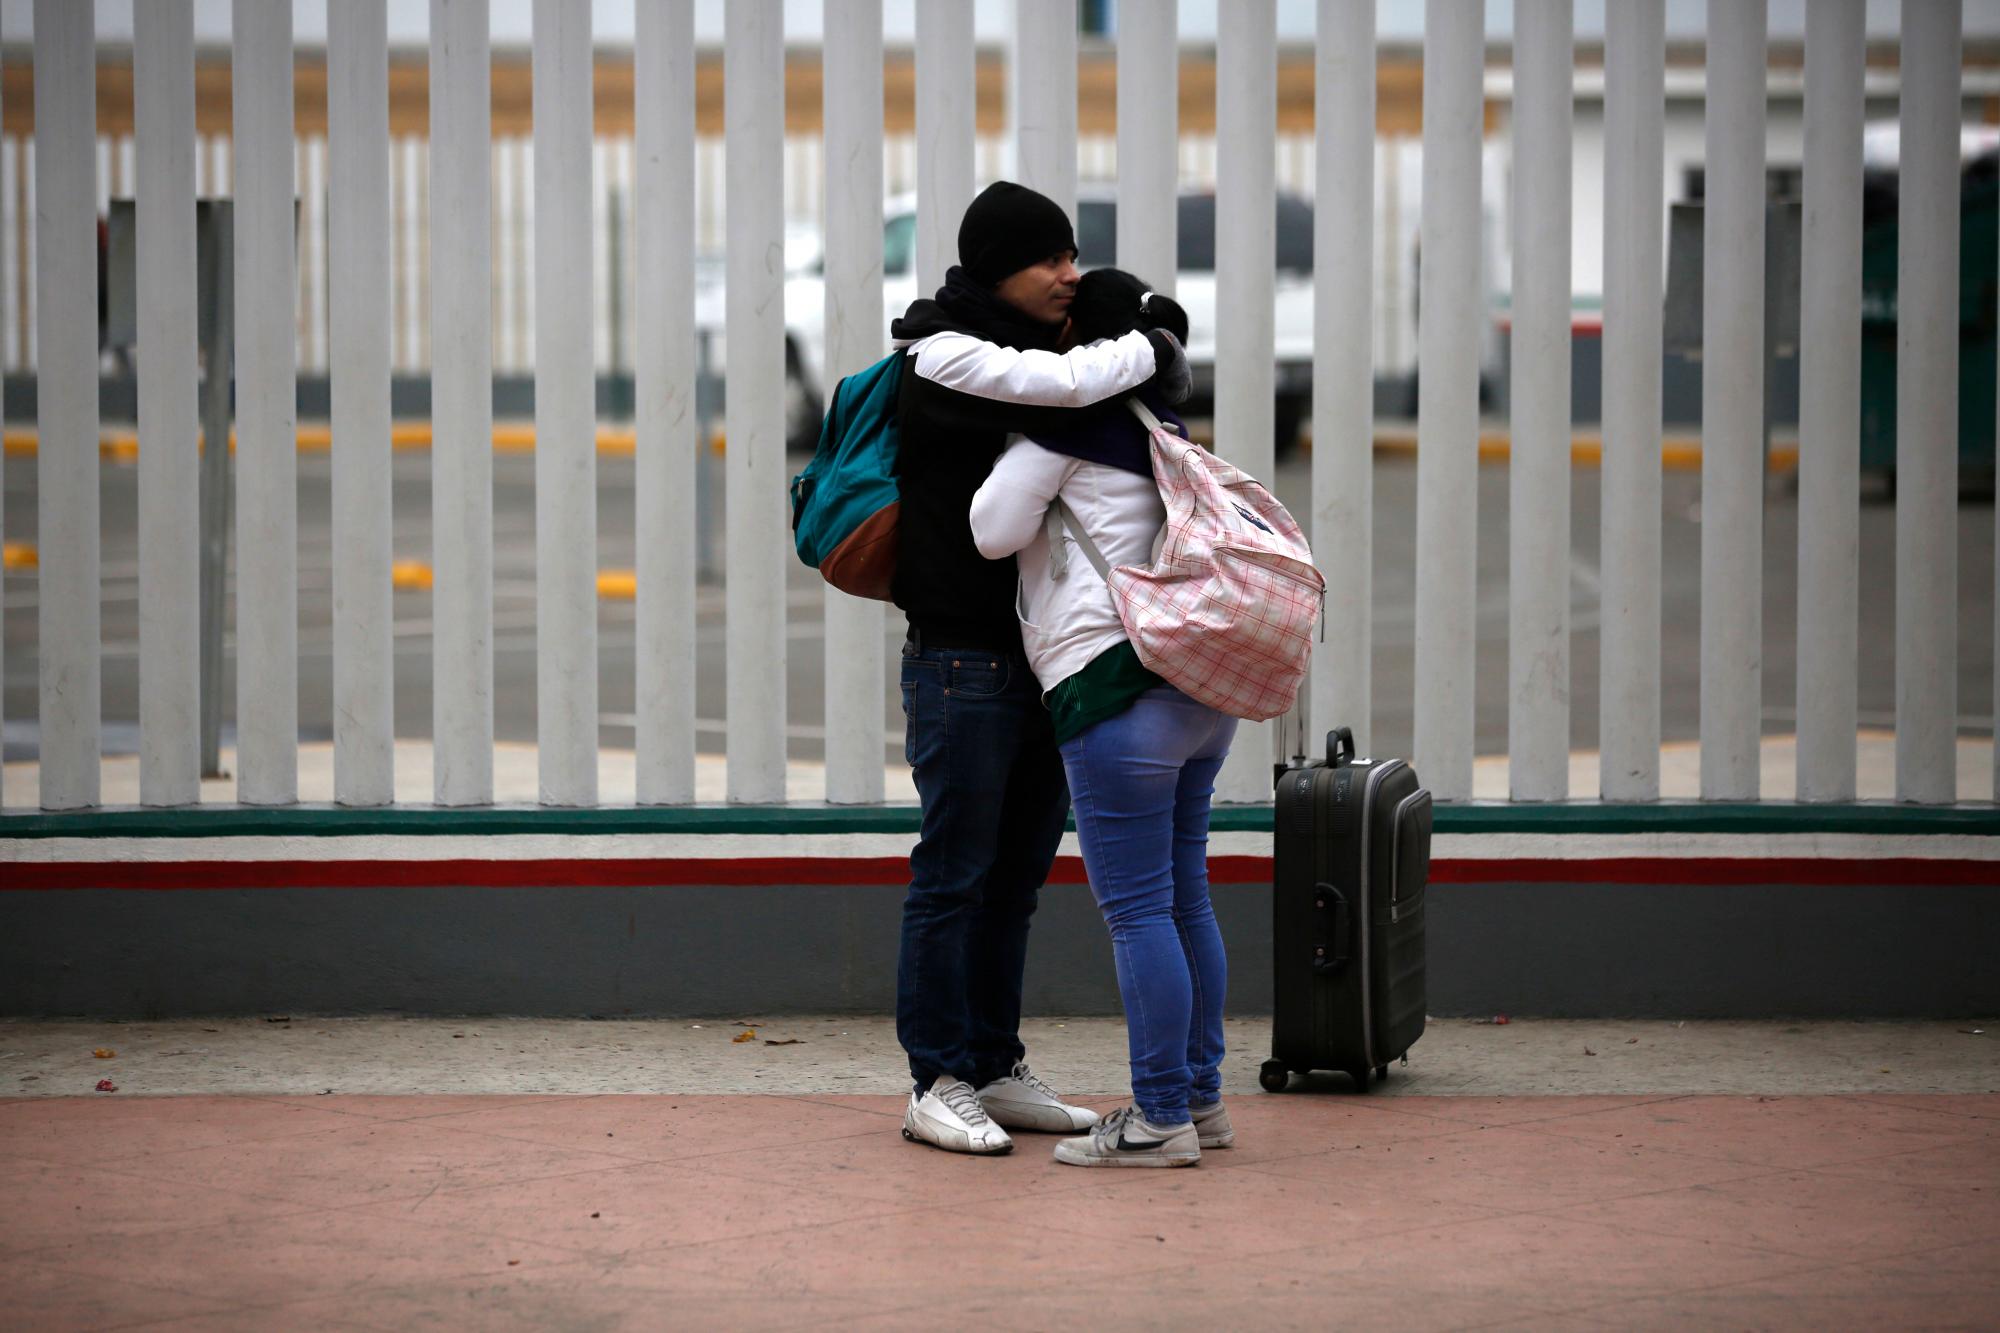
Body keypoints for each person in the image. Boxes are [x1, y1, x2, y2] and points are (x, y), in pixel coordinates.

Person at [889, 183, 1192, 1156]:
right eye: (1048, 259)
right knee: (953, 874)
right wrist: (1154, 338)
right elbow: (1066, 396)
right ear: (995, 270)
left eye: (1072, 257)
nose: (1069, 274)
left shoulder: (1043, 355)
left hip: (1033, 664)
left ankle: (989, 1061)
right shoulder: (943, 354)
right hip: (960, 657)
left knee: (1014, 878)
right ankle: (934, 1076)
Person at [968, 267, 1235, 1168]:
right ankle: (1202, 1096)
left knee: (1137, 912)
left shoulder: (1067, 422)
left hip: (1117, 692)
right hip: (1198, 690)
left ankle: (1159, 1119)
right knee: (1186, 895)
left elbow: (992, 528)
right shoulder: (1164, 423)